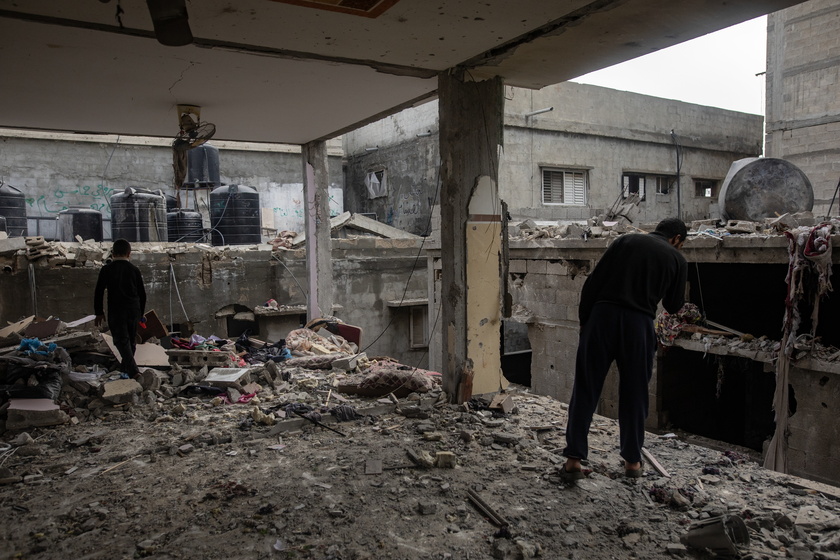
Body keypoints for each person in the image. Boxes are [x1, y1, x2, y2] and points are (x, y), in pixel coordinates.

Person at [561, 218, 688, 481]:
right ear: (676, 238)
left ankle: (573, 460)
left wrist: (587, 323)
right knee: (634, 394)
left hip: (602, 317)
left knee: (586, 388)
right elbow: (673, 305)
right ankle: (632, 463)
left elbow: (592, 285)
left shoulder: (625, 240)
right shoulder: (677, 259)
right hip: (638, 325)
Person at [94, 238, 147, 378]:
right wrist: (141, 314)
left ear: (112, 253)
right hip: (133, 310)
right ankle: (125, 370)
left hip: (116, 310)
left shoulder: (106, 270)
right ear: (129, 254)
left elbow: (99, 292)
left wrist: (99, 312)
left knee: (120, 340)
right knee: (130, 340)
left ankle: (134, 371)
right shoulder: (134, 270)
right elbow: (142, 294)